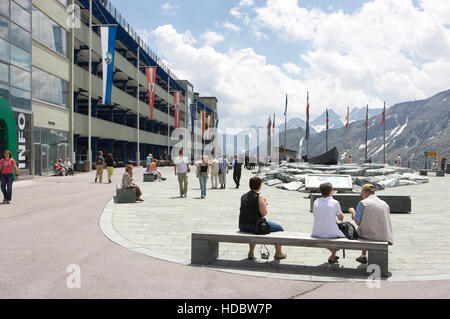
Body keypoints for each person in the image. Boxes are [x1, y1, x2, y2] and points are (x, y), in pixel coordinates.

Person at [239, 177, 286, 260]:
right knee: (280, 228)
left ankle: (251, 252)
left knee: (254, 230)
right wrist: (264, 203)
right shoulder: (259, 196)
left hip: (242, 225)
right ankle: (278, 253)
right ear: (260, 186)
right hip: (253, 225)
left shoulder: (243, 196)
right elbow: (264, 213)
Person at [348, 184, 393, 264]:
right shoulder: (384, 204)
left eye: (361, 193)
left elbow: (357, 221)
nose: (361, 195)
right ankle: (363, 256)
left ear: (365, 192)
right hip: (384, 236)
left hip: (369, 236)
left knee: (363, 229)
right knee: (369, 225)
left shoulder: (363, 203)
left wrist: (353, 212)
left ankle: (363, 256)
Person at [311, 182, 345, 263]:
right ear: (331, 191)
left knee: (330, 231)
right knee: (344, 234)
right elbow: (341, 218)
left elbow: (315, 214)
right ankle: (333, 255)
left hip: (316, 232)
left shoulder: (316, 201)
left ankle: (333, 255)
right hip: (331, 233)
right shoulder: (335, 202)